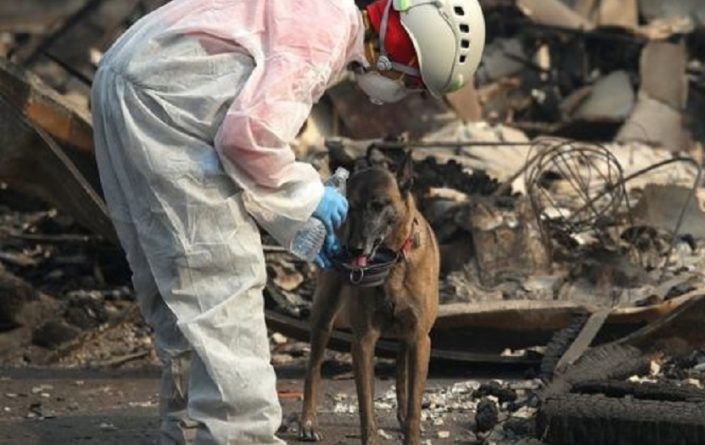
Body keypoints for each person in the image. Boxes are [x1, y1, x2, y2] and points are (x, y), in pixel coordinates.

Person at [90, 0, 485, 443]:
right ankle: (238, 435)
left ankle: (189, 430)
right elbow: (247, 141)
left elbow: (237, 152)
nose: (402, 90)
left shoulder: (322, 13)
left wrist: (300, 223)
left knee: (177, 280)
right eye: (411, 82)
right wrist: (311, 195)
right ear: (408, 51)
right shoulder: (327, 31)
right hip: (164, 97)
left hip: (134, 78)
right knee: (221, 285)